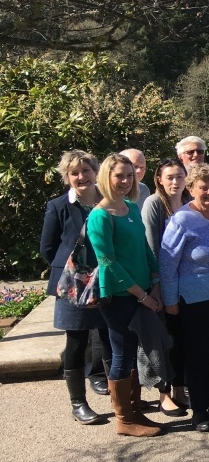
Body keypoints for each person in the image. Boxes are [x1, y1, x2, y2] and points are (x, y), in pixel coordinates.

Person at [87, 153, 163, 437]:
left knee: (135, 351)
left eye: (129, 175)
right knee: (121, 354)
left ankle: (134, 410)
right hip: (119, 294)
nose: (125, 181)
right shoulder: (100, 215)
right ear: (106, 177)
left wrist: (155, 279)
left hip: (143, 290)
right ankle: (124, 419)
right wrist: (142, 295)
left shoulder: (131, 208)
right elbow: (108, 262)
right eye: (119, 175)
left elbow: (144, 248)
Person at [160, 164, 209, 432]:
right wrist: (170, 302)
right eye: (203, 187)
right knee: (198, 355)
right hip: (193, 300)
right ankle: (200, 412)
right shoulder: (180, 220)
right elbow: (167, 264)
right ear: (190, 189)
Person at [41, 150, 112, 424]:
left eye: (86, 170)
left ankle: (118, 394)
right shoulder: (58, 206)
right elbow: (47, 248)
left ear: (96, 172)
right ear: (67, 177)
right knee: (76, 341)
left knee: (110, 337)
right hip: (73, 285)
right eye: (74, 173)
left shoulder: (109, 202)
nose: (81, 177)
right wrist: (74, 271)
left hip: (107, 278)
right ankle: (78, 403)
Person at [141, 158, 189, 416]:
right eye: (169, 177)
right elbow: (151, 248)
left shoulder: (188, 202)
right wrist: (157, 286)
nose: (175, 182)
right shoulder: (153, 204)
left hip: (187, 285)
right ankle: (165, 394)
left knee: (181, 339)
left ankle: (181, 388)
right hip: (161, 284)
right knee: (164, 341)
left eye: (179, 177)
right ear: (159, 179)